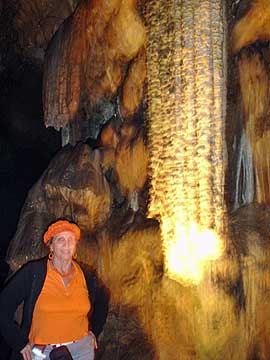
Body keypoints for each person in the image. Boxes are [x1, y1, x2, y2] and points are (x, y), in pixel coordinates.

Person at [0, 220, 110, 360]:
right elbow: (3, 306)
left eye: (71, 240)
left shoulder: (86, 274)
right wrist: (19, 342)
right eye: (60, 240)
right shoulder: (34, 272)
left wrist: (94, 329)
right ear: (51, 246)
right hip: (42, 352)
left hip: (81, 351)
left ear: (76, 245)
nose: (67, 244)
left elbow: (104, 297)